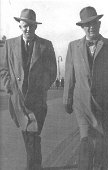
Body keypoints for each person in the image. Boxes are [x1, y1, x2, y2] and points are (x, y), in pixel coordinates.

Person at [63, 6, 108, 170]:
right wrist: (67, 99)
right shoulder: (73, 47)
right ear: (82, 27)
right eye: (87, 24)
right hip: (82, 103)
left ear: (99, 24)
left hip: (105, 104)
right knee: (85, 140)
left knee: (101, 141)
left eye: (94, 23)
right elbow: (69, 74)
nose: (91, 27)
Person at [0, 9, 57, 170]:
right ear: (20, 26)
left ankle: (32, 166)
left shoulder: (46, 45)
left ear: (36, 27)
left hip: (37, 100)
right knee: (29, 134)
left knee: (32, 134)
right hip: (18, 100)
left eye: (31, 26)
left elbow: (52, 71)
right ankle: (35, 164)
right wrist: (9, 87)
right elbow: (3, 69)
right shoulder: (9, 45)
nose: (28, 29)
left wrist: (41, 87)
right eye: (25, 26)